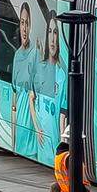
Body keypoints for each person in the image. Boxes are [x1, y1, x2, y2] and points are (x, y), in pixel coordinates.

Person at [33, 15, 67, 166]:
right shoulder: (40, 68)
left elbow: (62, 113)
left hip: (54, 139)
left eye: (56, 33)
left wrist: (61, 142)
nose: (52, 39)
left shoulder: (62, 74)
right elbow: (31, 98)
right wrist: (37, 128)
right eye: (50, 32)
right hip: (42, 141)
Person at [11, 2, 39, 157]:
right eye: (22, 23)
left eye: (27, 23)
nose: (24, 28)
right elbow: (14, 103)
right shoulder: (16, 55)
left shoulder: (35, 54)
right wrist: (12, 140)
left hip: (30, 117)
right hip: (20, 119)